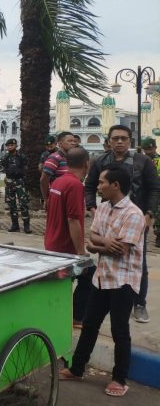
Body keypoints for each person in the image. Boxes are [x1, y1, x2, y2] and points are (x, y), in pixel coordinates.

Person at [59, 165, 145, 398]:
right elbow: (91, 242)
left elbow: (122, 250)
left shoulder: (134, 214)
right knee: (89, 325)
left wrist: (100, 244)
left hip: (123, 281)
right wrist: (106, 243)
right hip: (102, 278)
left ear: (115, 186)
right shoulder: (103, 208)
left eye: (101, 183)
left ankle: (119, 378)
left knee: (119, 331)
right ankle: (77, 369)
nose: (98, 187)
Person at [84, 125, 160, 324]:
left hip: (136, 219)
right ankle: (109, 294)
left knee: (137, 261)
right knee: (106, 255)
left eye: (124, 138)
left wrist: (149, 215)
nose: (120, 142)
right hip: (109, 217)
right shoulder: (100, 161)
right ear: (109, 141)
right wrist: (92, 208)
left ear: (130, 141)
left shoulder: (143, 162)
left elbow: (154, 189)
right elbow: (90, 186)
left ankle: (139, 303)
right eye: (115, 138)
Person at [44, 146, 94, 326]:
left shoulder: (57, 182)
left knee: (62, 284)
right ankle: (75, 317)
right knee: (88, 275)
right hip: (65, 247)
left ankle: (61, 314)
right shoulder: (75, 185)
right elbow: (73, 220)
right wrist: (81, 253)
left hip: (52, 242)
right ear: (86, 164)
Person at [1, 138, 30, 232]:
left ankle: (26, 226)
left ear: (16, 146)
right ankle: (15, 225)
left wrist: (19, 173)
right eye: (8, 146)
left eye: (12, 145)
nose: (10, 147)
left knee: (23, 204)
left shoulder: (22, 156)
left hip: (20, 182)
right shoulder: (5, 157)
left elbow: (26, 168)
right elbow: (3, 168)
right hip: (9, 183)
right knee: (11, 205)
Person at [40, 131, 77, 206]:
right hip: (57, 199)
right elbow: (43, 180)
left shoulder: (72, 158)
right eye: (69, 141)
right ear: (60, 143)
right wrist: (46, 198)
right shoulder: (54, 158)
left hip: (70, 198)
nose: (73, 143)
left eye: (74, 141)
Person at [140, 137, 160, 248]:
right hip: (143, 192)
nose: (147, 152)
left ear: (155, 148)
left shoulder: (158, 160)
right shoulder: (141, 160)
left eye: (149, 149)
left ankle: (158, 236)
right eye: (145, 149)